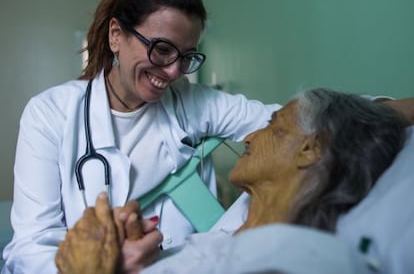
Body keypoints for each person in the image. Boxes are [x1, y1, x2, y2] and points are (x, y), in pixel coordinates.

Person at [1, 0, 279, 274]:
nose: (174, 72)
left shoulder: (194, 101)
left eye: (187, 57)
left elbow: (290, 127)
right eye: (161, 49)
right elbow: (29, 248)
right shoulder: (50, 113)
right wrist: (106, 265)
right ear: (116, 35)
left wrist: (235, 230)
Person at [54, 88, 408, 274]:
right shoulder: (223, 244)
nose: (250, 136)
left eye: (275, 125)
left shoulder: (298, 258)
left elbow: (364, 115)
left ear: (310, 149)